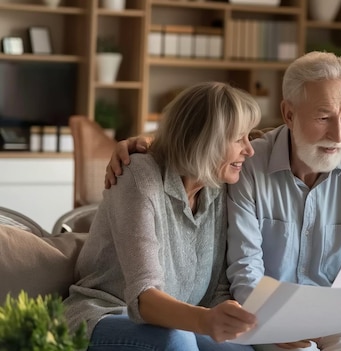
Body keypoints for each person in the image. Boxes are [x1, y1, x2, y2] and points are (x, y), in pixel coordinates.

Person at [104, 52, 341, 351]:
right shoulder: (153, 177)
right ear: (288, 115)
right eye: (323, 117)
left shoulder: (218, 184)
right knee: (181, 339)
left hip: (313, 316)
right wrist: (262, 320)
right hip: (123, 312)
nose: (340, 134)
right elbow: (148, 293)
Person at [64, 81, 260, 351]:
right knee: (175, 341)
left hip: (181, 324)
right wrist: (205, 321)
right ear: (203, 139)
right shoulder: (139, 177)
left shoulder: (219, 188)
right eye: (239, 138)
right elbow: (143, 296)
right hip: (104, 315)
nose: (249, 150)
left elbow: (217, 289)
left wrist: (235, 321)